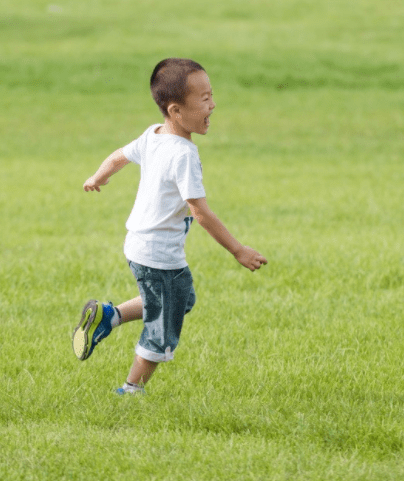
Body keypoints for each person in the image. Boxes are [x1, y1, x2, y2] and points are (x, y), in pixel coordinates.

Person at [72, 58, 267, 395]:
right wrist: (238, 249)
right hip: (160, 254)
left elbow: (120, 155)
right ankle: (131, 390)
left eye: (211, 95)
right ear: (177, 111)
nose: (213, 104)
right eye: (204, 99)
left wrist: (97, 176)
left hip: (138, 244)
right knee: (164, 325)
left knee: (181, 298)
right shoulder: (184, 154)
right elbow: (200, 212)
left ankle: (109, 316)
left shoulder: (154, 134)